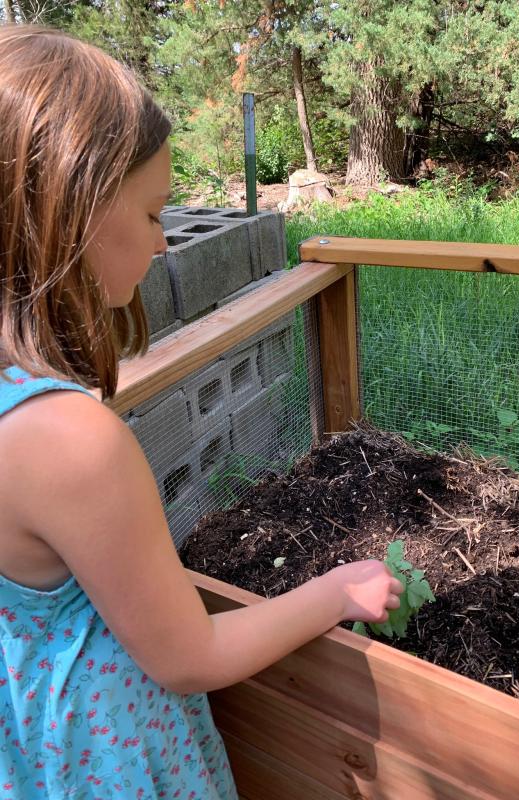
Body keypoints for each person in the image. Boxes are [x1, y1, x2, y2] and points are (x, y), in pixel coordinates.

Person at [0, 25, 403, 800]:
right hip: (113, 761)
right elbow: (188, 653)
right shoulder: (69, 440)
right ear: (69, 213)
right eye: (153, 214)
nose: (161, 246)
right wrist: (337, 592)